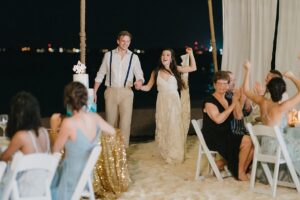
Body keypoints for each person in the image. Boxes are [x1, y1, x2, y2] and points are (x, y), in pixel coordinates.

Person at [51, 82, 115, 200]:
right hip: (86, 177)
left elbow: (55, 151)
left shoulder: (69, 123)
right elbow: (112, 131)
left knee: (44, 181)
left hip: (70, 178)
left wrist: (54, 128)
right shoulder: (94, 117)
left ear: (68, 101)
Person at [243, 61, 300, 177]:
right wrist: (292, 76)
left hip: (265, 146)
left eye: (268, 77)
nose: (265, 78)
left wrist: (248, 70)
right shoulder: (280, 105)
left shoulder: (262, 101)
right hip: (277, 148)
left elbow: (246, 90)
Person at [139, 47, 196, 164]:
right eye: (163, 55)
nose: (165, 57)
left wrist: (191, 54)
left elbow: (193, 68)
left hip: (174, 101)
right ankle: (166, 151)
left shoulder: (177, 69)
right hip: (161, 101)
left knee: (174, 125)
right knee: (163, 125)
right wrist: (139, 87)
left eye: (167, 55)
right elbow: (148, 87)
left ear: (171, 58)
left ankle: (175, 153)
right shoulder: (155, 72)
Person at [93, 30, 144, 147]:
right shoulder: (108, 55)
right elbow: (100, 74)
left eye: (128, 41)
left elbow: (140, 75)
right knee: (110, 122)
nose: (125, 43)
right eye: (123, 41)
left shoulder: (134, 57)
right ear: (118, 41)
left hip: (127, 92)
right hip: (111, 91)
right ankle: (111, 150)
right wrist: (94, 92)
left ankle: (123, 150)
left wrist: (139, 82)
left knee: (125, 123)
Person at [202, 71, 253, 181]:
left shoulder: (229, 98)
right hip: (214, 136)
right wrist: (233, 105)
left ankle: (240, 170)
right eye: (219, 83)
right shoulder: (209, 100)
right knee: (247, 140)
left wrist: (236, 100)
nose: (223, 86)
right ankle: (239, 172)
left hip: (227, 134)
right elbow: (218, 119)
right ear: (214, 85)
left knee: (253, 143)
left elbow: (239, 116)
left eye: (225, 83)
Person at [0, 91, 50, 197]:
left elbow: (3, 158)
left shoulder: (21, 136)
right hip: (41, 191)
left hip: (21, 191)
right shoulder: (44, 132)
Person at [226, 71, 252, 135]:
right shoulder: (225, 97)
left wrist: (247, 95)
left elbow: (247, 112)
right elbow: (238, 116)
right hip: (233, 133)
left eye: (234, 80)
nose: (234, 83)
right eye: (231, 80)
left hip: (242, 131)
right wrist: (242, 101)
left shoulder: (233, 94)